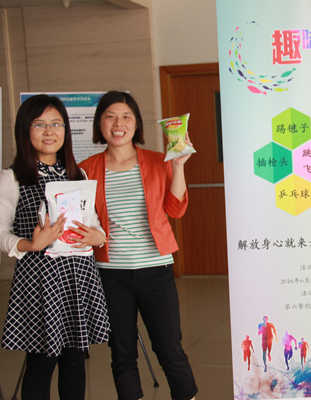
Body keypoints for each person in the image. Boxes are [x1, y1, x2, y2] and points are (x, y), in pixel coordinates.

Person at [0, 94, 110, 400]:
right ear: (24, 130)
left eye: (56, 124)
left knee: (75, 361)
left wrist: (98, 236)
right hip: (39, 281)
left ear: (65, 130)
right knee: (41, 363)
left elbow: (94, 223)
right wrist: (30, 244)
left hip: (78, 277)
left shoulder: (77, 174)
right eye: (39, 124)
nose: (49, 131)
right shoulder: (11, 178)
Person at [79, 91, 197, 400]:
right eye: (110, 117)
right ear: (100, 124)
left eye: (126, 117)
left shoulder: (159, 161)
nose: (118, 124)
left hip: (155, 268)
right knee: (122, 353)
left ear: (136, 124)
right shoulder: (85, 169)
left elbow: (176, 210)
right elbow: (80, 220)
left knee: (169, 348)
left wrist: (179, 166)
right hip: (109, 274)